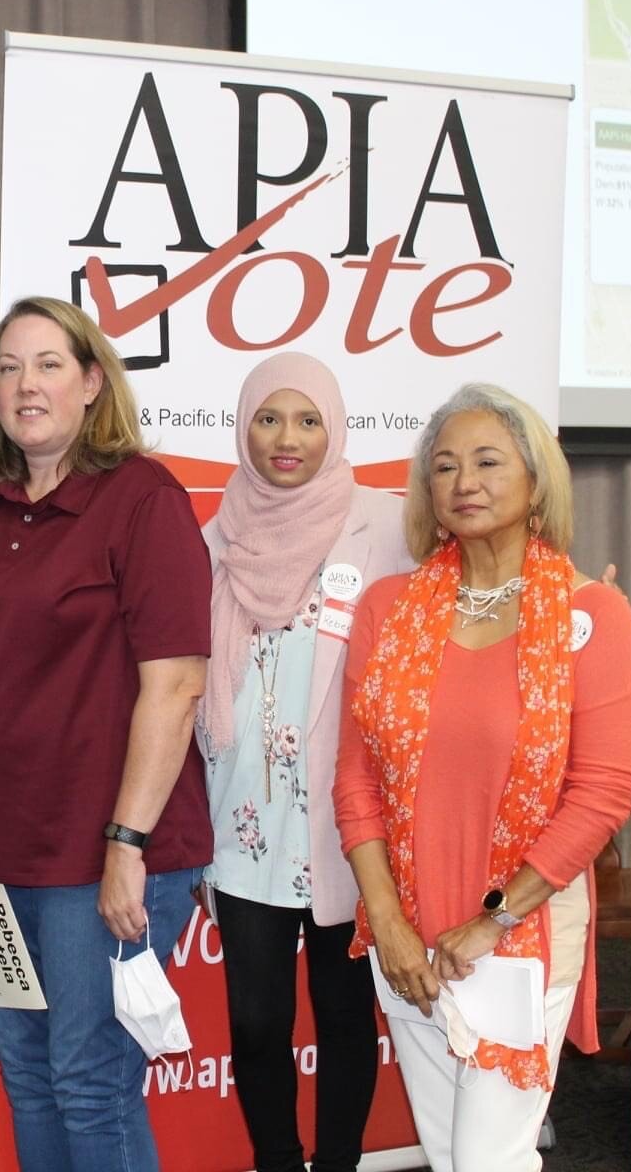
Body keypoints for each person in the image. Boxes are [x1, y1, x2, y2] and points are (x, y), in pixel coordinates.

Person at [0, 295, 212, 1172]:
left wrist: (128, 842)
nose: (24, 384)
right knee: (29, 1073)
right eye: (8, 367)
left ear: (91, 383)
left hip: (104, 854)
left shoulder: (142, 499)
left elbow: (177, 682)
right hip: (0, 856)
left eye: (48, 365)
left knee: (90, 1079)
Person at [333, 382, 631, 1172]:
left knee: (488, 1162)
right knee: (451, 1159)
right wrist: (388, 922)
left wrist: (493, 920)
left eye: (486, 461)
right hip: (407, 937)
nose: (463, 481)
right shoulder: (386, 610)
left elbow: (603, 793)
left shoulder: (594, 614)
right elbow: (355, 782)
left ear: (536, 480)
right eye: (444, 466)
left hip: (521, 929)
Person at [195, 353, 412, 1172]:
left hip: (346, 823)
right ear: (245, 428)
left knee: (345, 1011)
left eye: (308, 420)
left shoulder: (386, 524)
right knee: (255, 1021)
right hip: (243, 823)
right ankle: (279, 1162)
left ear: (336, 427)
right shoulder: (216, 536)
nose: (287, 439)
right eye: (269, 419)